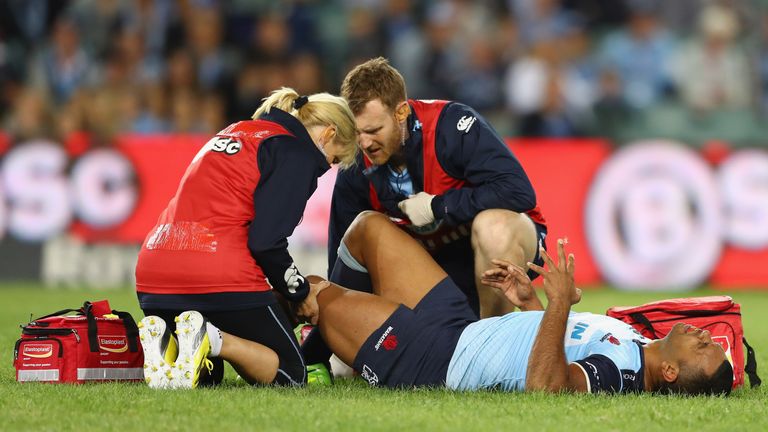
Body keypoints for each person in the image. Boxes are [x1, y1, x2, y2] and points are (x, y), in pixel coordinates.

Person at [305, 211, 733, 394]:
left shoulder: (621, 376)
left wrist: (561, 302)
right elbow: (558, 348)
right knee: (369, 228)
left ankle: (294, 354)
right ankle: (340, 350)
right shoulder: (637, 341)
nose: (701, 332)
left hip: (439, 362)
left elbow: (548, 387)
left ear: (671, 372)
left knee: (314, 294)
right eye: (709, 337)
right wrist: (530, 303)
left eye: (702, 346)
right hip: (463, 327)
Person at [134, 87, 358, 389]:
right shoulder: (297, 153)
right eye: (334, 159)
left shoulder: (236, 130)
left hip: (153, 276)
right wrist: (300, 291)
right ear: (328, 134)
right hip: (215, 273)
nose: (328, 166)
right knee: (291, 375)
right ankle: (210, 337)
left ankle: (168, 341)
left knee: (207, 376)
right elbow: (266, 243)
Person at [329, 57, 546, 318]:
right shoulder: (355, 167)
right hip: (432, 272)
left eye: (374, 130)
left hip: (498, 250)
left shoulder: (452, 127)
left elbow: (517, 191)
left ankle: (492, 338)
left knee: (494, 227)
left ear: (401, 113)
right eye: (356, 132)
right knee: (367, 228)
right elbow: (343, 259)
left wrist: (439, 206)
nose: (364, 143)